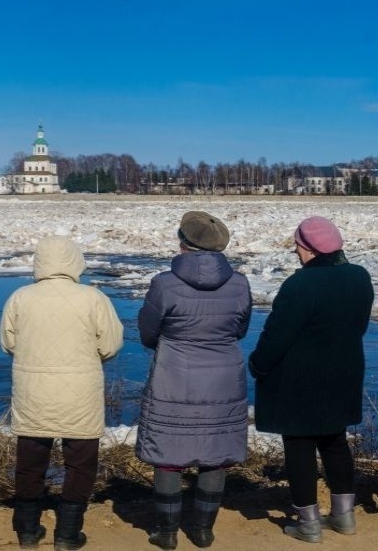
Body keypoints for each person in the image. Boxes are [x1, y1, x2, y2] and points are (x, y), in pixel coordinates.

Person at [248, 216, 374, 544]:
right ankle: (344, 517)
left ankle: (308, 523)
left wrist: (258, 365)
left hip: (299, 380)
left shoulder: (300, 284)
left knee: (300, 445)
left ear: (310, 247)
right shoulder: (359, 277)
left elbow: (278, 334)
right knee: (335, 442)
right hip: (343, 373)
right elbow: (358, 326)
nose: (295, 251)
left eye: (298, 245)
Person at [135, 211, 253, 550]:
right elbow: (240, 329)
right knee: (216, 450)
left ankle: (167, 532)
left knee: (169, 451)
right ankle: (203, 530)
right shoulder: (241, 283)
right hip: (223, 377)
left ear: (183, 242)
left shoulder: (164, 283)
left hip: (175, 374)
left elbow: (148, 330)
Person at [0, 236, 124, 551]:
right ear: (75, 261)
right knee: (80, 462)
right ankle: (68, 535)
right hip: (80, 391)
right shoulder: (93, 298)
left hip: (33, 390)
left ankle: (28, 531)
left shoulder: (20, 297)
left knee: (30, 460)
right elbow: (109, 345)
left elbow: (8, 342)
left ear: (39, 261)